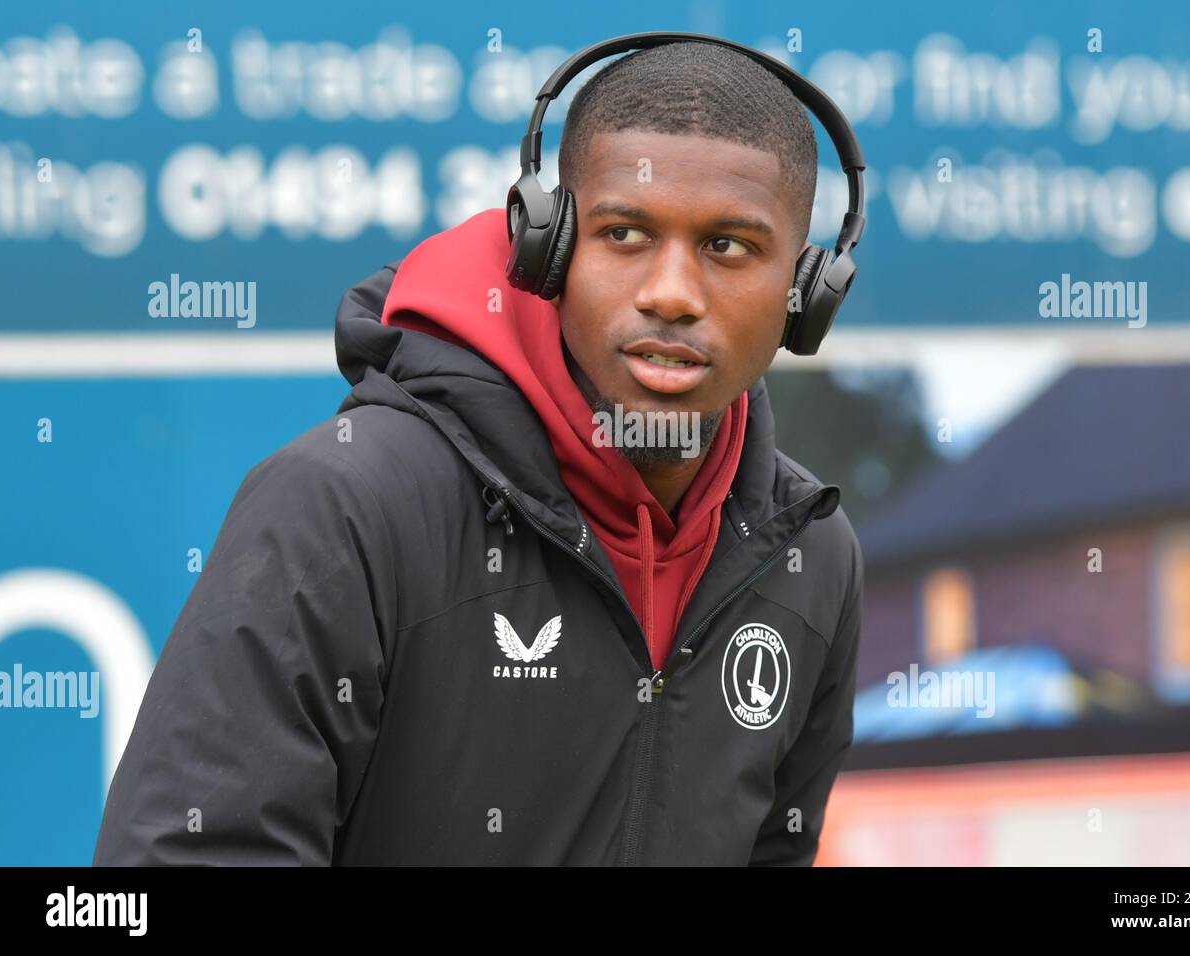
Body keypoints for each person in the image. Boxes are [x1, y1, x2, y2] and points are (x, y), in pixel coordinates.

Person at [93, 34, 865, 867]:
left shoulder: (811, 560)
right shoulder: (341, 506)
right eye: (625, 234)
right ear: (549, 252)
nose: (671, 293)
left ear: (805, 290)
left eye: (728, 247)